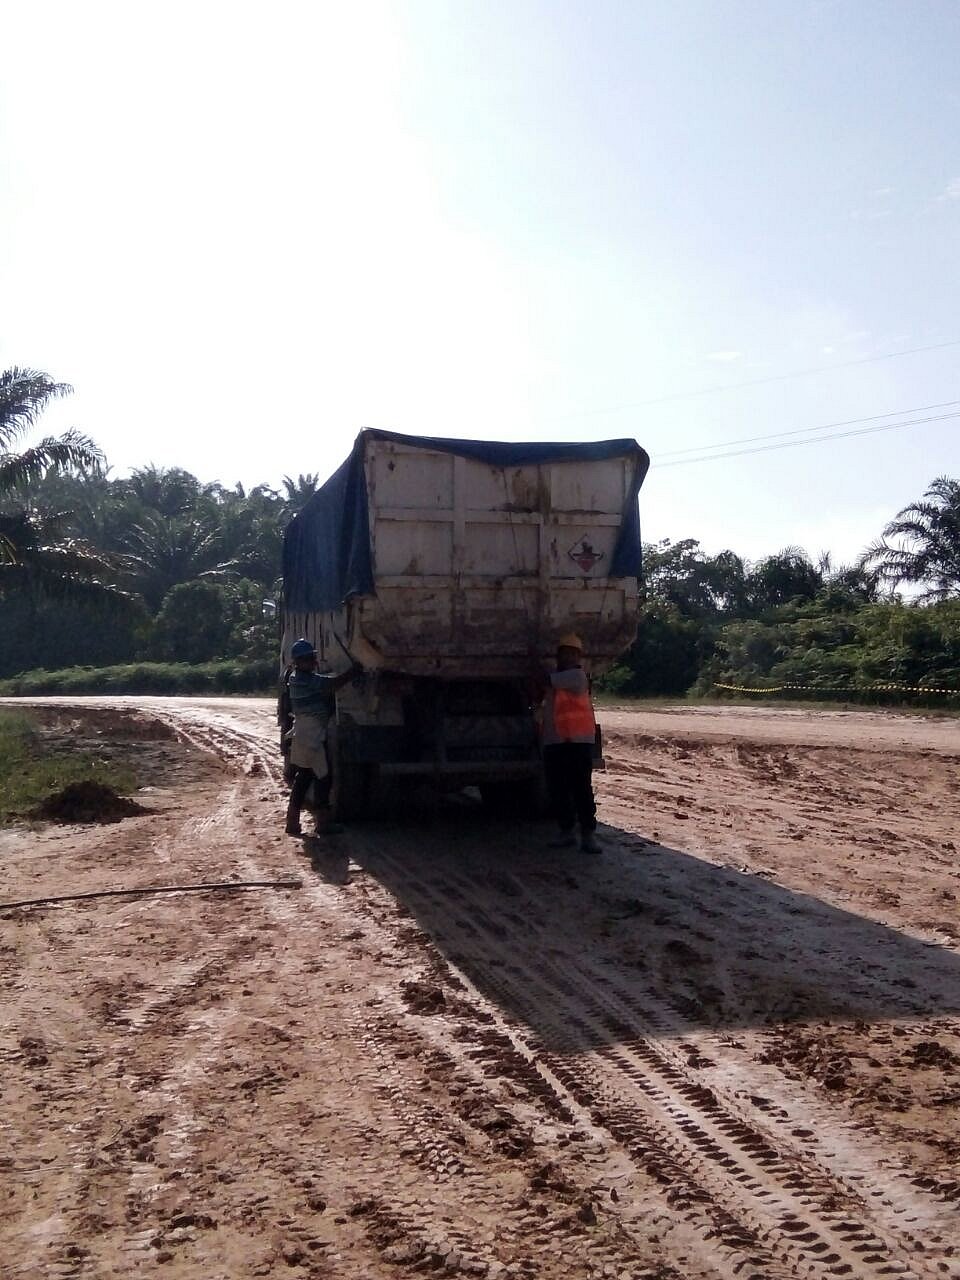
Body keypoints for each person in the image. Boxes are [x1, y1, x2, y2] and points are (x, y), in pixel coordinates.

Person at [284, 638, 361, 838]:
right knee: (323, 777)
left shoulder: (296, 677)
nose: (312, 661)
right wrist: (354, 671)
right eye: (308, 659)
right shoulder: (306, 680)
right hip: (312, 735)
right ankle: (323, 823)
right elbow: (332, 684)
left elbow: (325, 681)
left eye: (312, 658)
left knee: (305, 776)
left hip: (303, 732)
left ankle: (292, 822)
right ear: (298, 662)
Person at [539, 632, 601, 854]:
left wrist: (533, 659)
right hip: (556, 741)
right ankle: (567, 831)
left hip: (577, 741)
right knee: (559, 789)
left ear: (578, 657)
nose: (568, 657)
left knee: (581, 788)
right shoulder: (560, 676)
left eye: (572, 654)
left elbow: (544, 679)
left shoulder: (576, 676)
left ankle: (588, 834)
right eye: (564, 653)